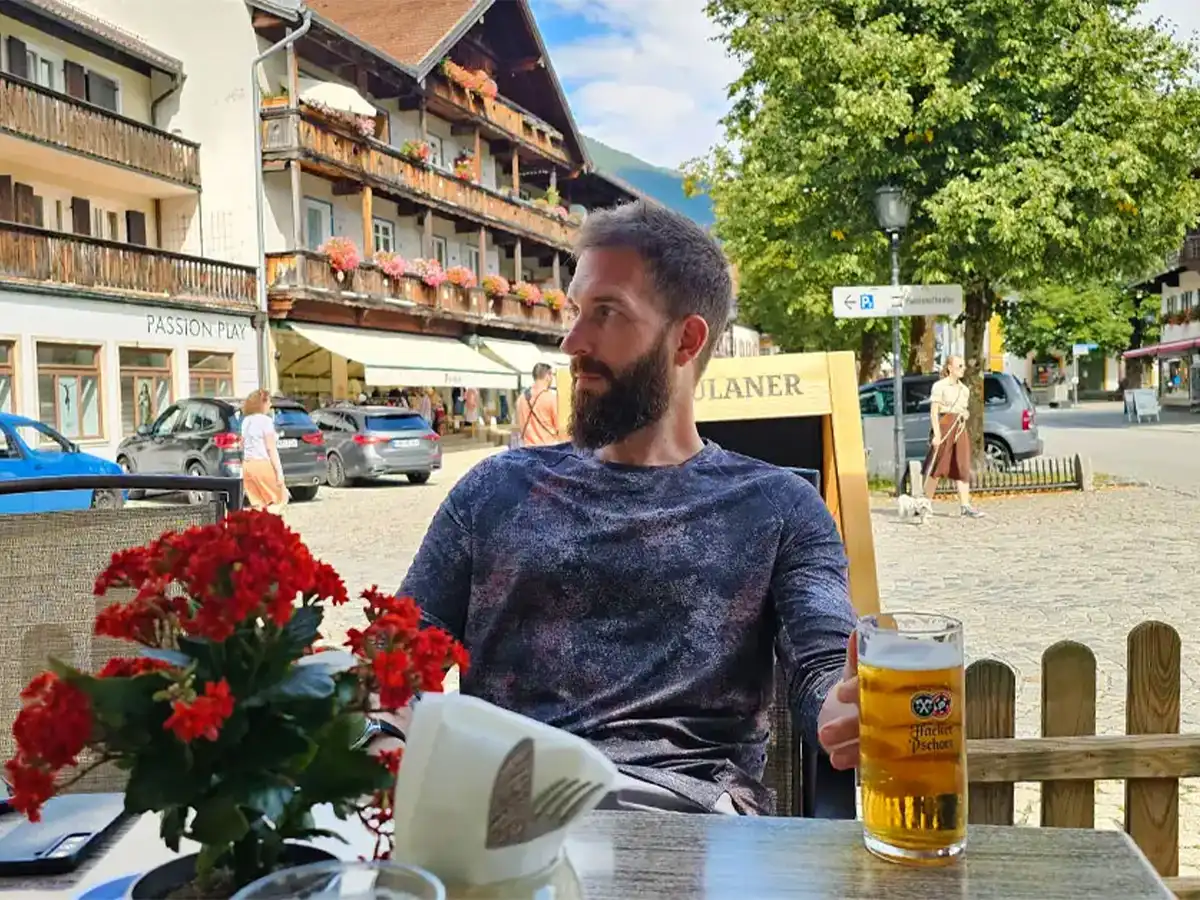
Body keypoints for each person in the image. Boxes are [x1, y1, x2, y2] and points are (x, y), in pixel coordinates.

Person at [389, 200, 859, 815]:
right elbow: (392, 660)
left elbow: (824, 662)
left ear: (687, 340)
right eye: (577, 311)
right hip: (503, 820)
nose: (572, 341)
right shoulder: (492, 492)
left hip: (685, 823)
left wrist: (847, 709)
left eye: (606, 314)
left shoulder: (779, 509)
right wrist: (380, 733)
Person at [921, 356, 984, 518]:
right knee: (937, 465)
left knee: (962, 464)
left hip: (960, 427)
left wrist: (966, 414)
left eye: (963, 366)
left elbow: (964, 410)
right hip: (945, 425)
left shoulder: (964, 390)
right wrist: (936, 433)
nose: (963, 368)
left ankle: (965, 505)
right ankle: (925, 503)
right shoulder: (939, 386)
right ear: (949, 367)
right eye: (959, 366)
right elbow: (934, 411)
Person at [240, 389, 286, 511]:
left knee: (257, 505)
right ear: (262, 403)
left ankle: (258, 528)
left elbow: (242, 444)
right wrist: (279, 473)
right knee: (278, 500)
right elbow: (271, 448)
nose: (270, 405)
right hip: (262, 464)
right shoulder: (265, 421)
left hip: (248, 465)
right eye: (268, 402)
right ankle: (272, 526)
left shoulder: (245, 421)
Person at [512, 363, 560, 447]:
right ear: (548, 376)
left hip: (527, 449)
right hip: (547, 450)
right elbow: (559, 427)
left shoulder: (521, 399)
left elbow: (519, 425)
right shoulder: (551, 398)